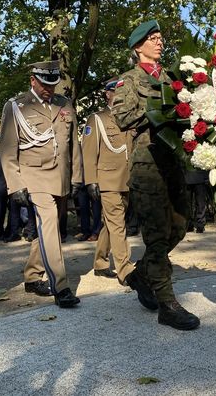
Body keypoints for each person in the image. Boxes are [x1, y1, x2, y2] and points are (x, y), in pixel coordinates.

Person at [112, 19, 198, 330]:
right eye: (153, 39)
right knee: (157, 235)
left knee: (179, 225)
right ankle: (167, 305)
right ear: (138, 47)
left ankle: (140, 276)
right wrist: (159, 107)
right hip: (147, 164)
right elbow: (121, 117)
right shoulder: (129, 81)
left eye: (161, 38)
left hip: (173, 161)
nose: (160, 43)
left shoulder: (175, 78)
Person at [0, 59, 83, 308]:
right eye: (45, 83)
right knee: (48, 226)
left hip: (61, 177)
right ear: (33, 80)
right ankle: (62, 286)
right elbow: (7, 149)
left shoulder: (64, 104)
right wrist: (15, 185)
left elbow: (73, 146)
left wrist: (77, 177)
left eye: (53, 83)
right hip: (33, 176)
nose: (49, 88)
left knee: (50, 228)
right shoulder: (16, 107)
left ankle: (32, 276)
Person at [81, 78, 136, 282]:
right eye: (117, 91)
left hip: (126, 180)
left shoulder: (130, 118)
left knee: (110, 224)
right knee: (118, 223)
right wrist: (91, 180)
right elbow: (88, 153)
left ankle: (100, 262)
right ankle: (125, 269)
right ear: (108, 94)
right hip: (107, 180)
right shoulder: (98, 119)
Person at [0, 153, 21, 242]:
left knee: (14, 211)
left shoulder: (16, 155)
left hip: (14, 188)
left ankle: (13, 232)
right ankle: (0, 233)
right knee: (0, 212)